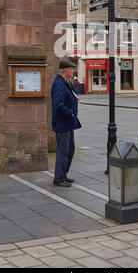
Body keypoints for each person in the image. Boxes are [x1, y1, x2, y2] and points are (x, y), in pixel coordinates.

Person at [51, 59, 82, 187]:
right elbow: (58, 104)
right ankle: (58, 178)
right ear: (65, 70)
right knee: (63, 152)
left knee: (70, 150)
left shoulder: (65, 82)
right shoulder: (59, 83)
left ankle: (63, 175)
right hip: (63, 123)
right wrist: (70, 112)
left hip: (68, 123)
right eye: (71, 69)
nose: (72, 71)